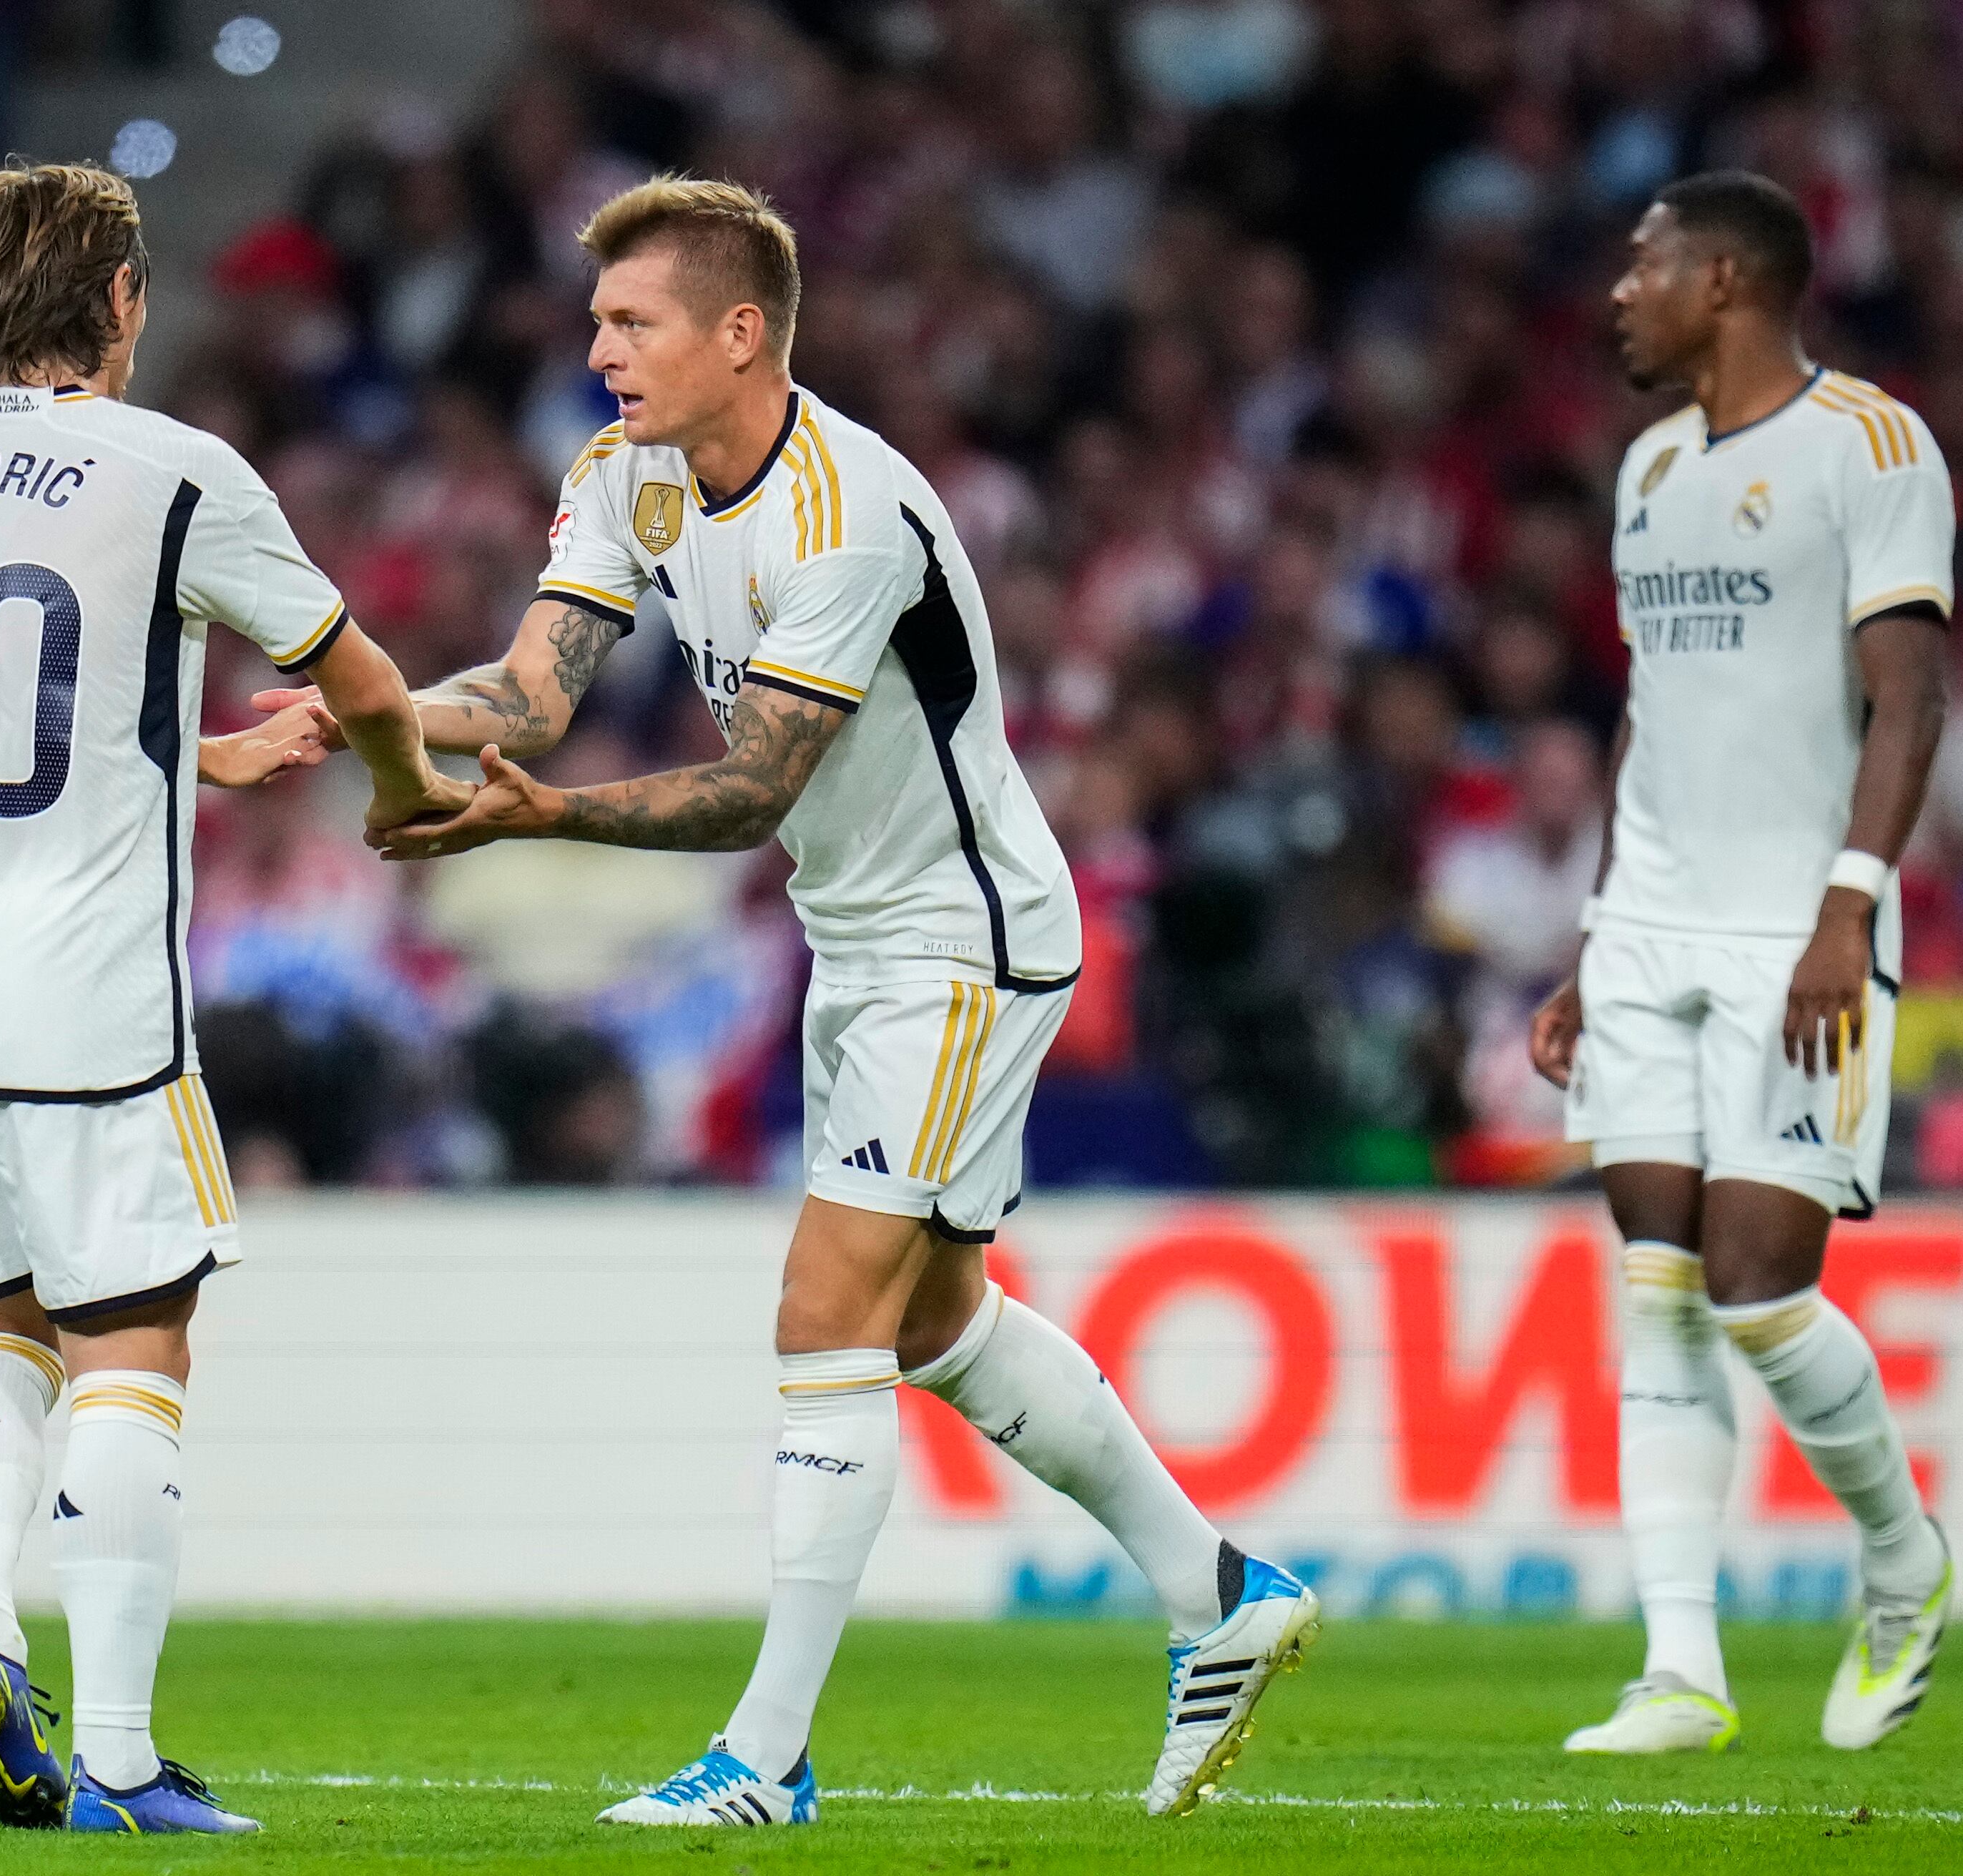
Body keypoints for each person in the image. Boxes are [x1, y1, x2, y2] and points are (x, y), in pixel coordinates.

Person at [274, 177, 1319, 1825]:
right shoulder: (627, 474)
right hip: (864, 941)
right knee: (926, 1323)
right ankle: (1223, 1593)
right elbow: (536, 691)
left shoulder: (851, 518)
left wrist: (547, 819)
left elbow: (752, 789)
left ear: (739, 333)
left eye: (634, 323)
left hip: (960, 942)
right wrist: (352, 725)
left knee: (823, 1318)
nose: (599, 349)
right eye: (599, 319)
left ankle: (765, 1758)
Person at [0, 161, 463, 1836]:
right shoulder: (178, 468)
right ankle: (116, 1757)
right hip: (85, 993)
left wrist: (195, 750)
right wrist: (403, 789)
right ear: (120, 299)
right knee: (135, 1341)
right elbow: (362, 675)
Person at [1530, 172, 1957, 1757]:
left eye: (1642, 267)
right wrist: (1594, 934)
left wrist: (1853, 899)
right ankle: (1681, 1669)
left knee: (1759, 1285)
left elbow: (1910, 695)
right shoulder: (1646, 468)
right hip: (1648, 926)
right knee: (1657, 1287)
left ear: (1725, 279)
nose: (1619, 294)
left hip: (1796, 926)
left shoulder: (1872, 446)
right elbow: (1653, 716)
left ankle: (1905, 1564)